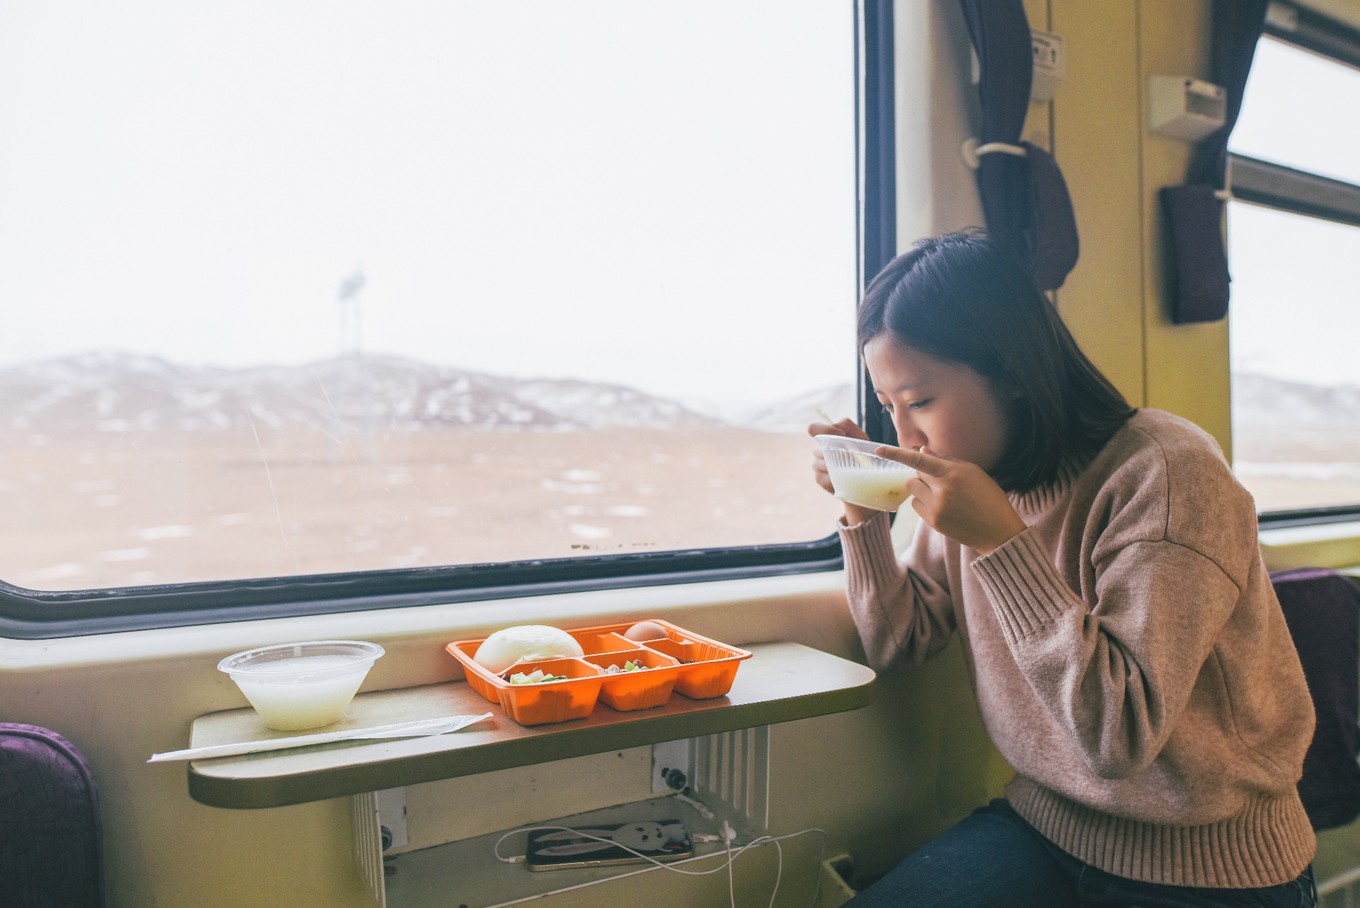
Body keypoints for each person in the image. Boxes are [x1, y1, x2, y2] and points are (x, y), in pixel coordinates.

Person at [810, 230, 1318, 907]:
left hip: (1207, 861)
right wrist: (864, 514)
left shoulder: (1166, 474)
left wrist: (1002, 544)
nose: (905, 438)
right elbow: (898, 642)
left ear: (1012, 375)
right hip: (1047, 823)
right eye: (889, 407)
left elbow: (1119, 735)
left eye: (921, 401)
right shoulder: (977, 476)